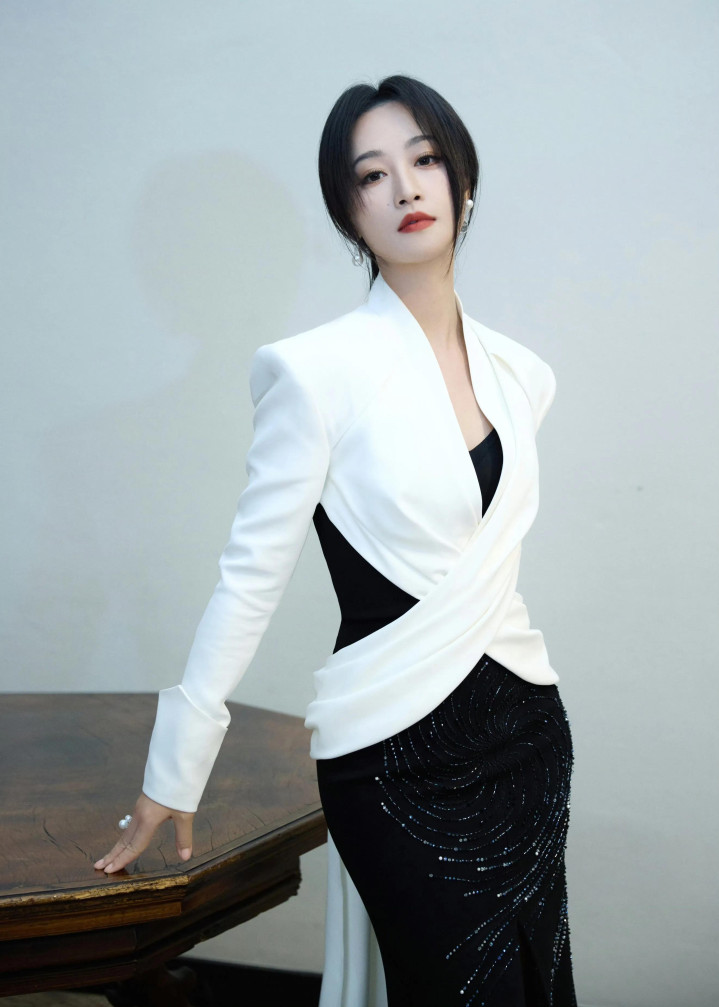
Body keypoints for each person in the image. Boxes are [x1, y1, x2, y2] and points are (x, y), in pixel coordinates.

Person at [95, 75, 577, 1007]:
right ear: (347, 210)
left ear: (462, 182)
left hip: (525, 739)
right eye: (372, 174)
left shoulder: (523, 376)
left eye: (424, 159)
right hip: (393, 754)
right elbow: (250, 576)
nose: (405, 187)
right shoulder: (312, 373)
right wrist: (173, 770)